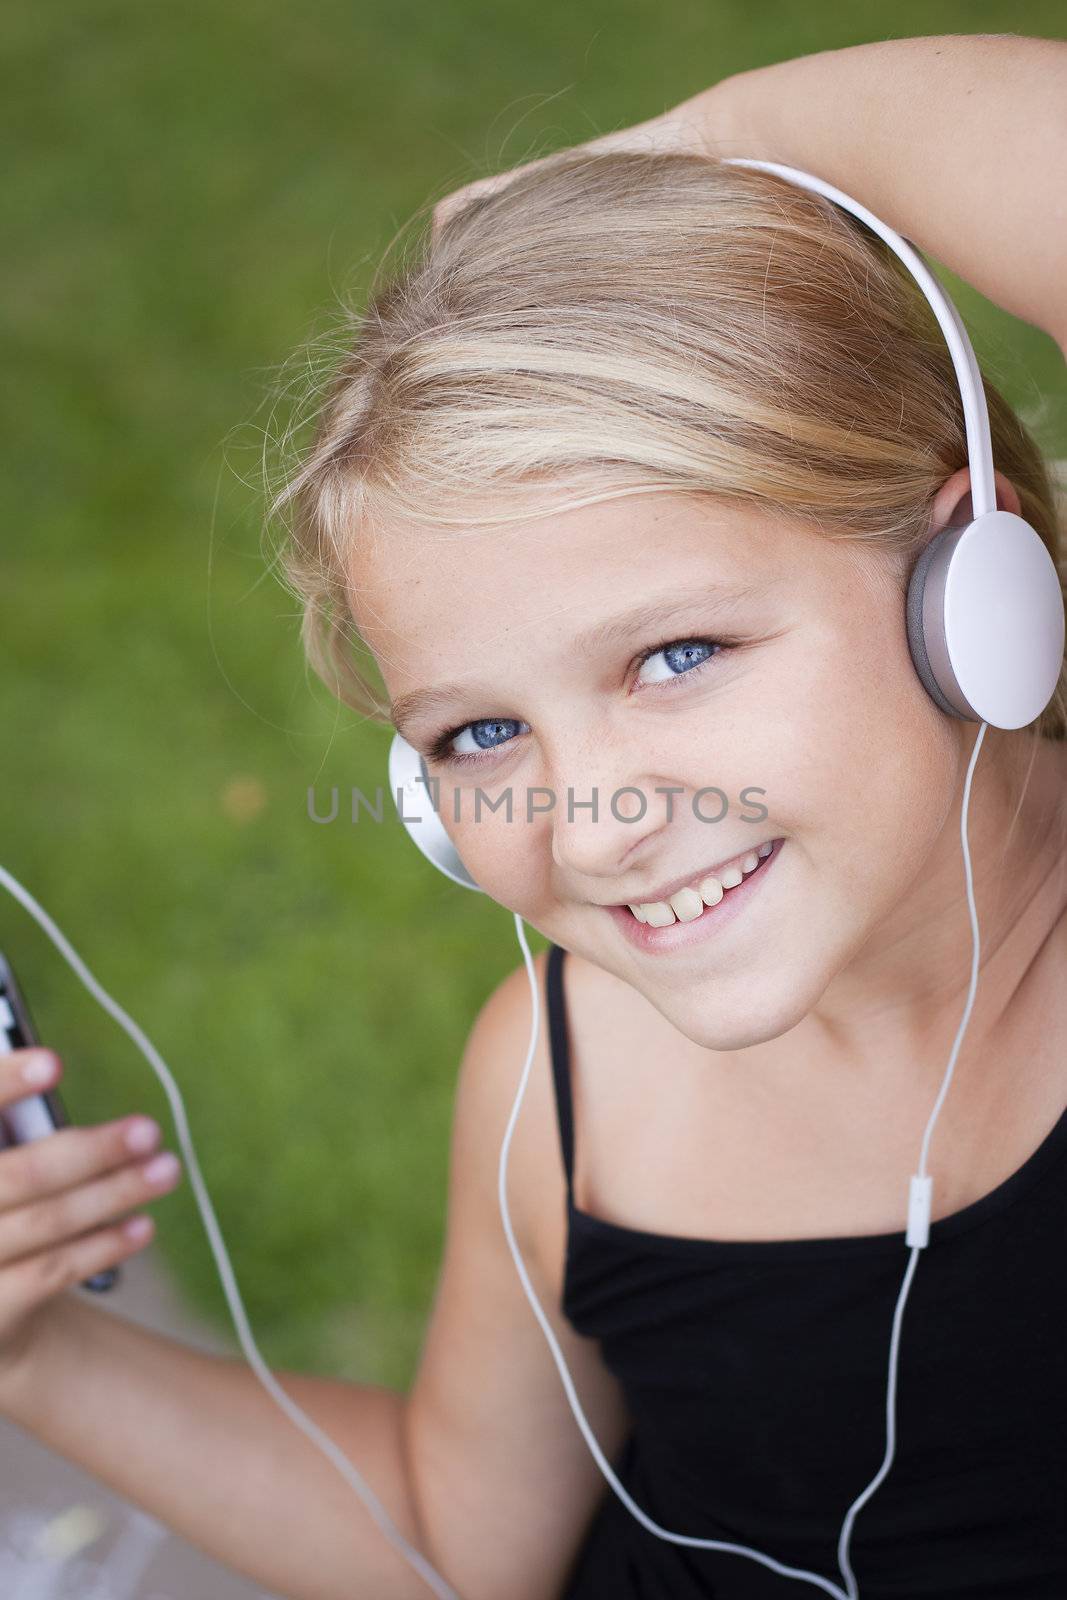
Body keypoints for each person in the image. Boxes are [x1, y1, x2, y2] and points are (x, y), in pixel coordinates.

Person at [1, 30, 1065, 1600]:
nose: (588, 824)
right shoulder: (565, 1077)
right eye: (482, 731)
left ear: (972, 594)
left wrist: (708, 135)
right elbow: (459, 1541)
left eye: (676, 654)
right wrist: (33, 1360)